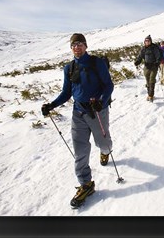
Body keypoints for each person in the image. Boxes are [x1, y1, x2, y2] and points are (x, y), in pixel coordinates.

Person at [41, 33, 114, 208]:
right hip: (78, 113)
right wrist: (52, 105)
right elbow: (67, 92)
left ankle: (105, 151)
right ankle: (86, 184)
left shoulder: (97, 63)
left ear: (86, 46)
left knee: (103, 143)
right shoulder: (69, 68)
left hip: (97, 112)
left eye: (80, 44)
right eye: (74, 45)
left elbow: (109, 85)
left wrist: (101, 102)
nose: (77, 47)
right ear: (71, 48)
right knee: (80, 151)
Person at [134, 35, 161, 102]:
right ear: (144, 42)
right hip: (146, 66)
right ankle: (149, 93)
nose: (147, 42)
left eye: (148, 41)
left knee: (152, 80)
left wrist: (157, 63)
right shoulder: (143, 49)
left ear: (150, 41)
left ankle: (151, 95)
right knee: (147, 80)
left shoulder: (154, 48)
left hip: (154, 66)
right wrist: (137, 61)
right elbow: (140, 56)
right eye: (146, 41)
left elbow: (158, 56)